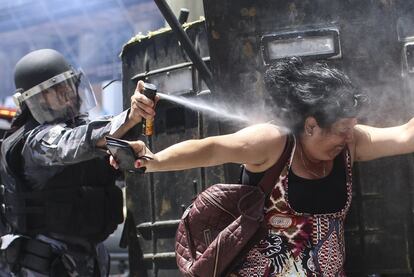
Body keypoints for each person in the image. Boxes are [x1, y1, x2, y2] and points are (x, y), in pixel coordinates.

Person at [111, 56, 414, 275]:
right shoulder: (273, 142)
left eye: (352, 127)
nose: (349, 136)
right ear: (310, 126)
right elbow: (211, 148)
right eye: (341, 129)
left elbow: (405, 135)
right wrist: (153, 160)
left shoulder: (350, 142)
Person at [0, 48, 157, 276]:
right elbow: (74, 143)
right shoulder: (34, 141)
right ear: (33, 99)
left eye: (68, 84)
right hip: (42, 264)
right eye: (54, 89)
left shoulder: (85, 131)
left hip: (87, 258)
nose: (66, 94)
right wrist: (130, 117)